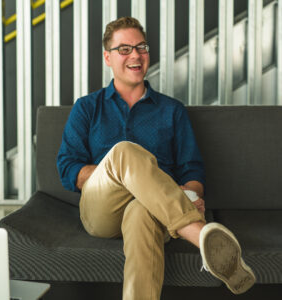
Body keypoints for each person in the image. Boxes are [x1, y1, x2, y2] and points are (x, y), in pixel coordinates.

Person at [57, 16, 255, 300]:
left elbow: (192, 169)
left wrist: (190, 193)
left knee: (141, 210)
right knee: (124, 152)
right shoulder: (87, 108)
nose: (135, 55)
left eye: (141, 47)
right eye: (124, 49)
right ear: (107, 58)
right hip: (102, 209)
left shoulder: (172, 110)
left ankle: (198, 236)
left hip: (156, 210)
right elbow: (68, 169)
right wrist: (121, 175)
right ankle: (200, 236)